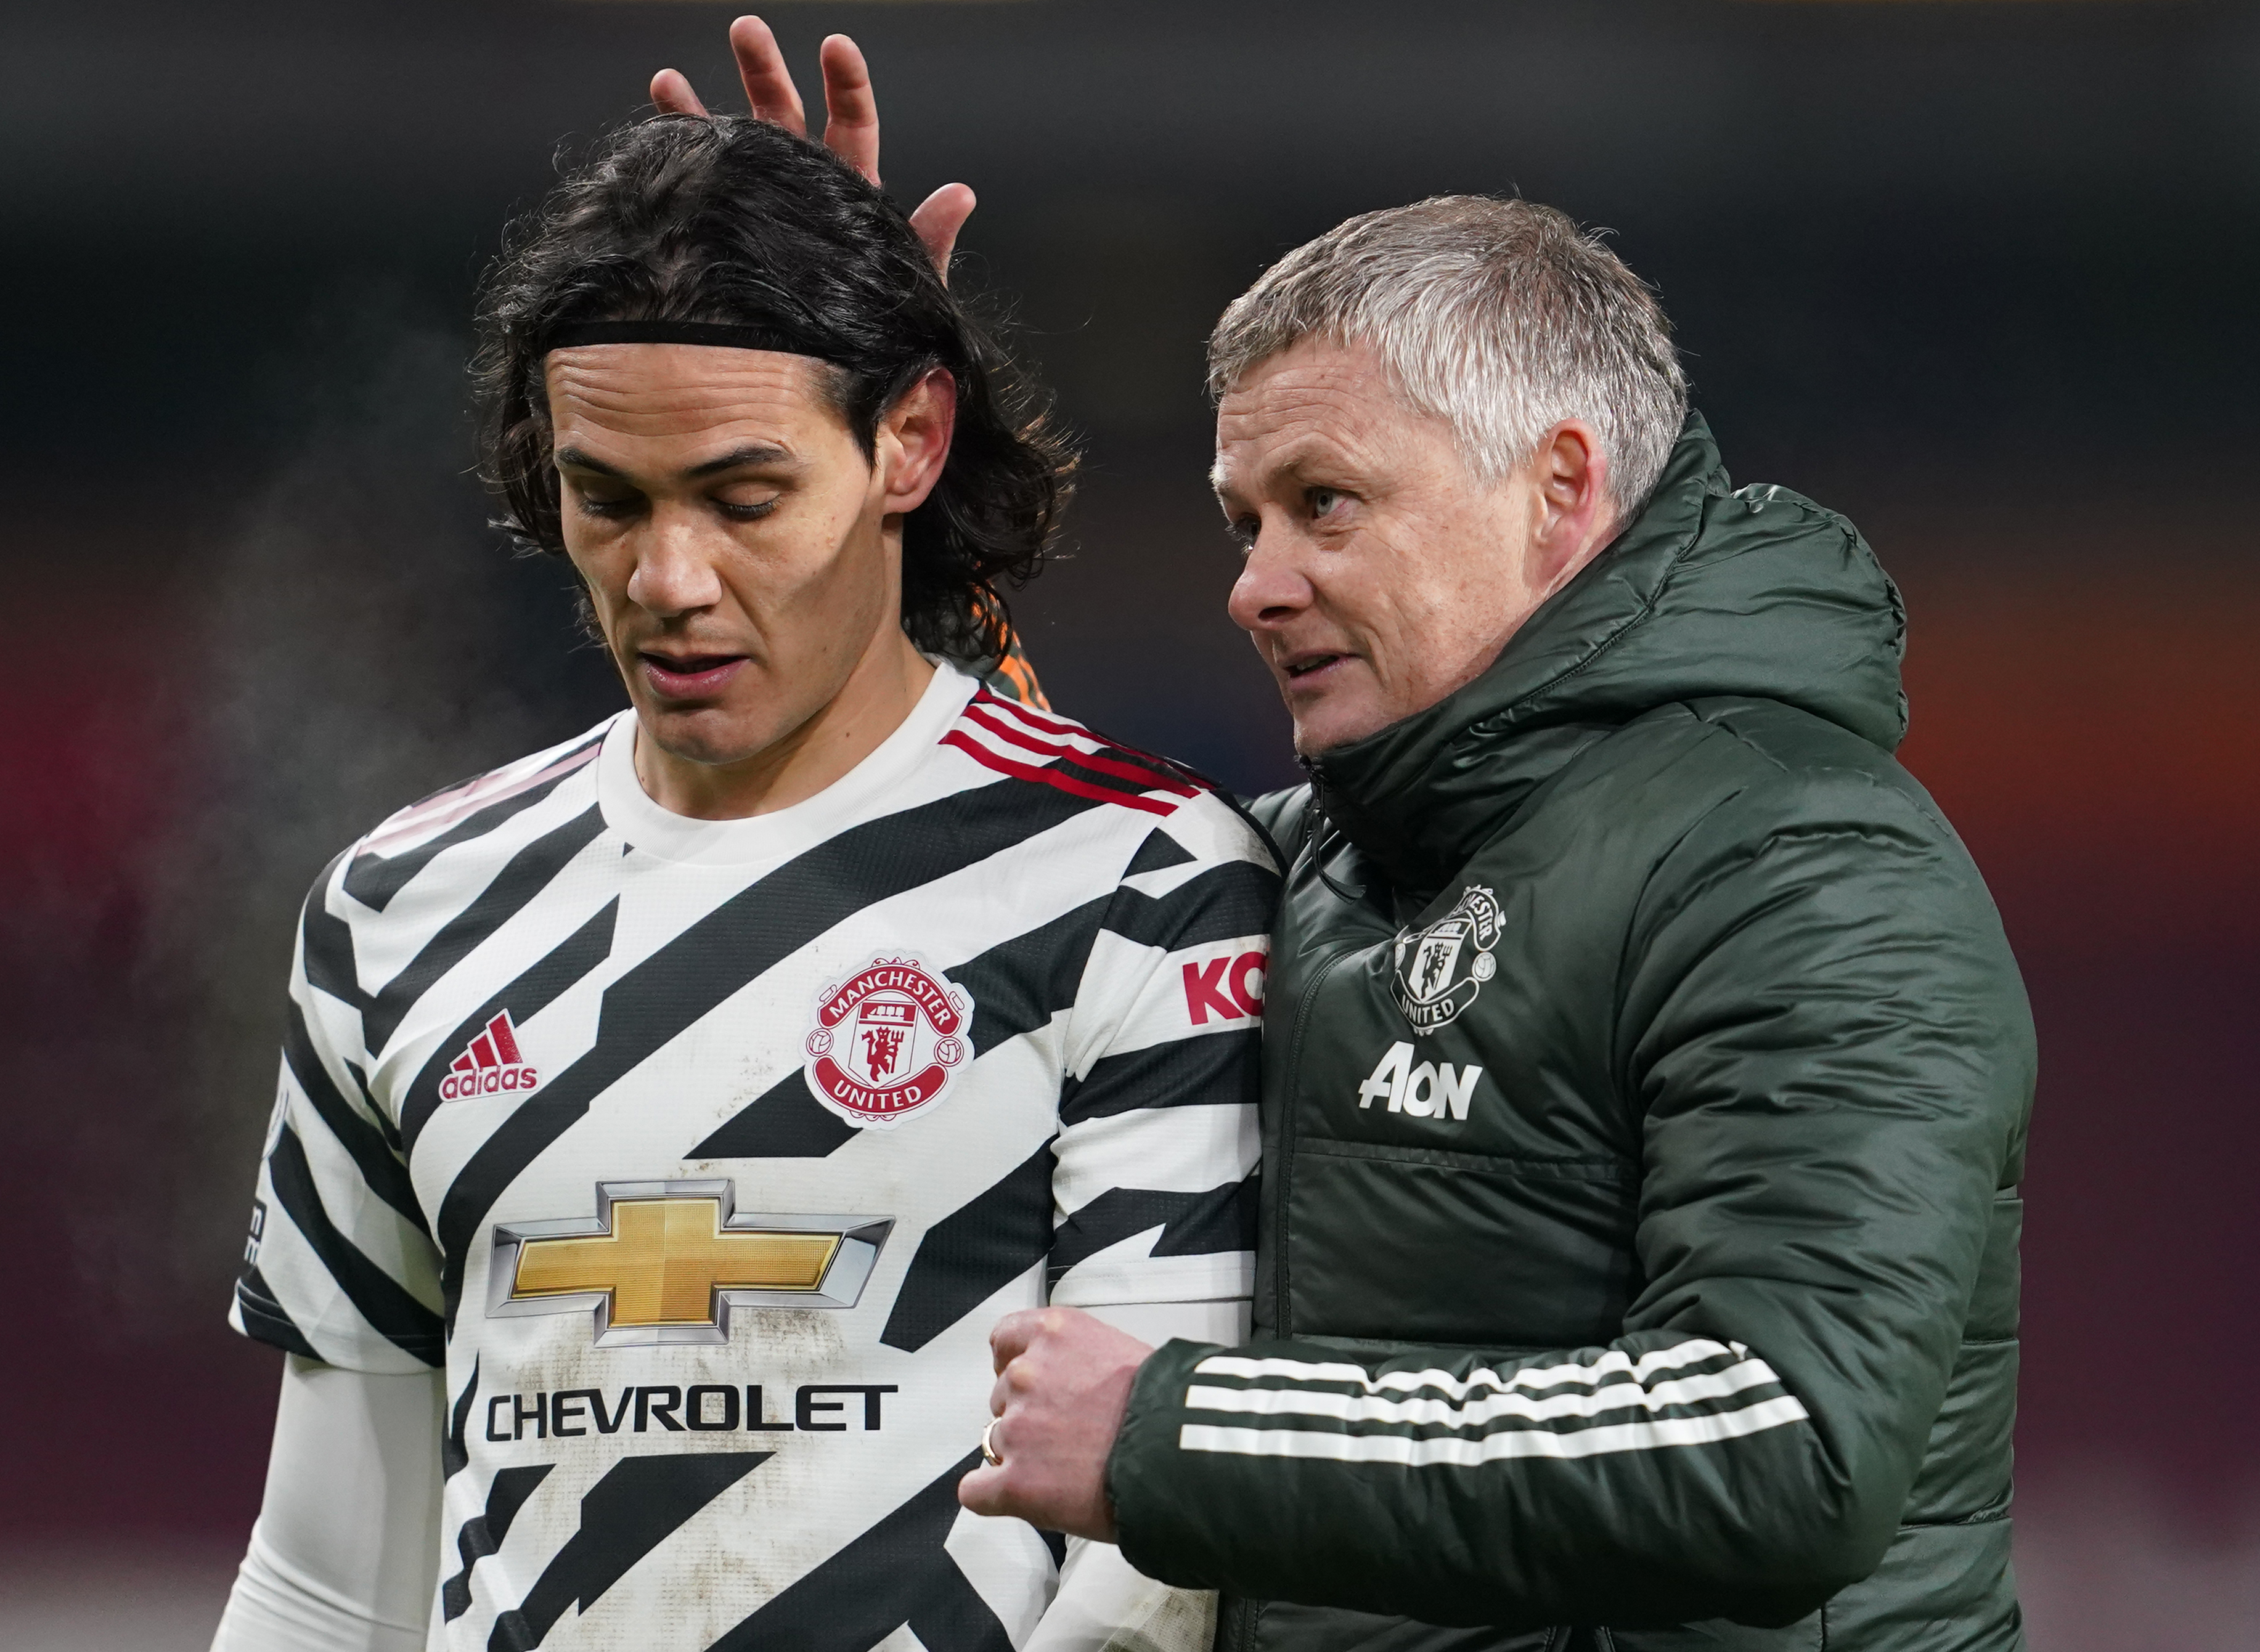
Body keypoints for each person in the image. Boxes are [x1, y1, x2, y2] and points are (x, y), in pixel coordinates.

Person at [668, 23, 2036, 1652]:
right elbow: (998, 876)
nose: (1255, 586)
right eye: (1242, 520)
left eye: (1325, 504)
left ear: (1559, 488)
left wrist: (1175, 1437)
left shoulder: (1803, 871)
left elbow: (1788, 1445)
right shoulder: (1307, 862)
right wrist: (839, 429)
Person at [209, 95, 1278, 1652]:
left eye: (743, 497)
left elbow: (1152, 1564)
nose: (669, 580)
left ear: (910, 441)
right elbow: (327, 1579)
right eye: (609, 499)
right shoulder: (397, 911)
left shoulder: (1143, 879)